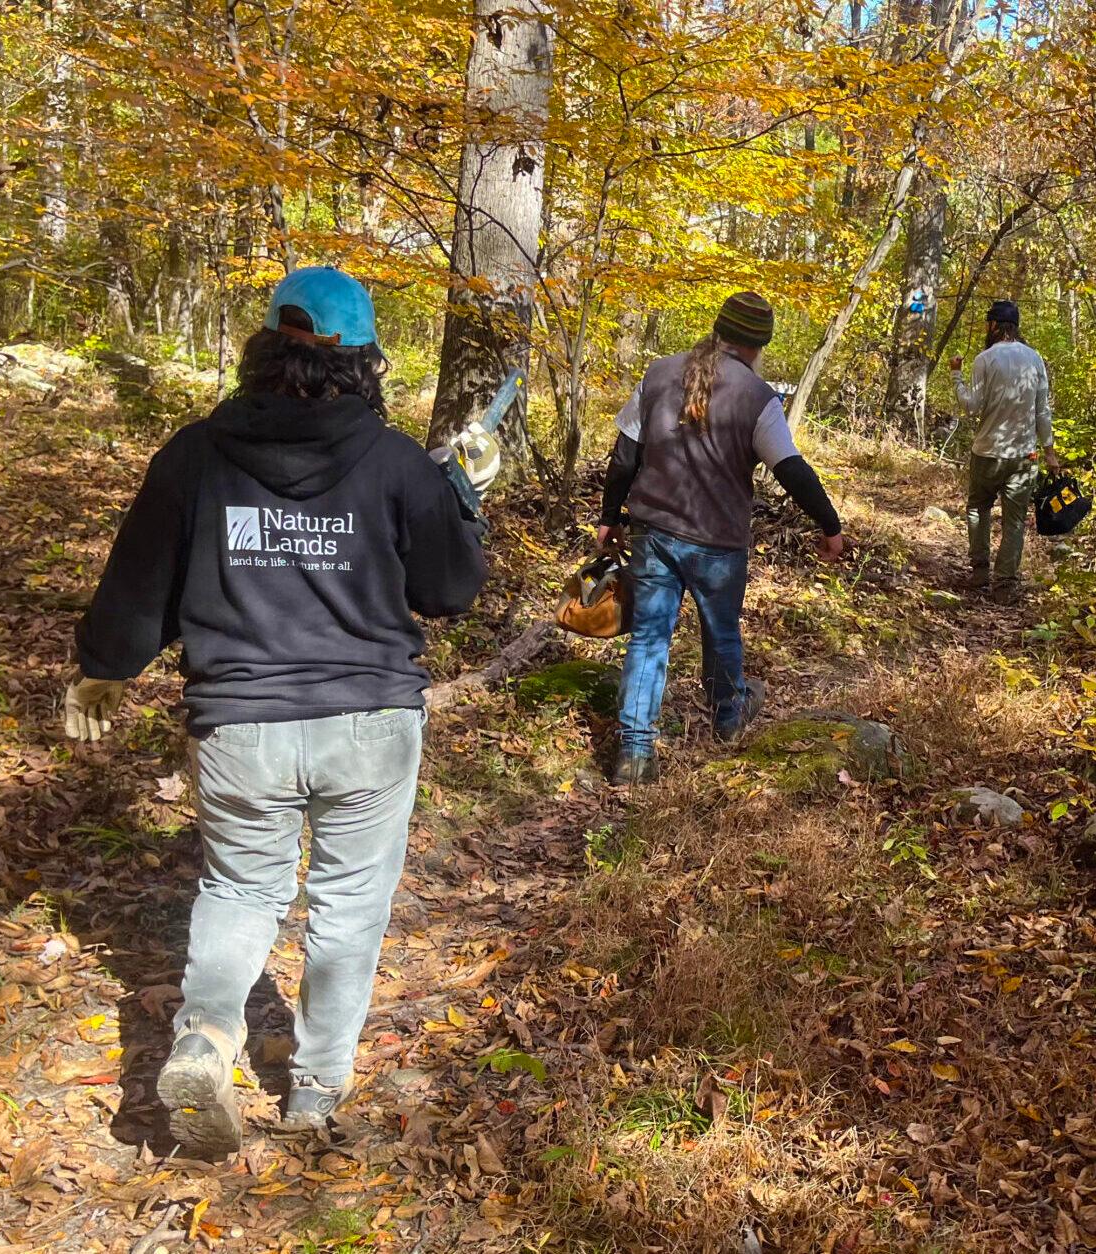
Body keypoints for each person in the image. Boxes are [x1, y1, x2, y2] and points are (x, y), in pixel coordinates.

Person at [60, 266, 489, 1155]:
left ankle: (207, 1037)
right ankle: (316, 1088)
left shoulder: (194, 454)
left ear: (264, 347)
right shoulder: (397, 461)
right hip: (368, 724)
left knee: (239, 888)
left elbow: (141, 585)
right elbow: (451, 591)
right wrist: (461, 498)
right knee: (349, 908)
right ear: (364, 359)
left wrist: (105, 667)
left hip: (238, 724)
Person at [596, 291, 845, 785]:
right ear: (759, 344)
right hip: (718, 542)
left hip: (654, 532)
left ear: (718, 328)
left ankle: (634, 753)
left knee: (649, 639)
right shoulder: (758, 397)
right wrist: (830, 524)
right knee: (721, 631)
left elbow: (626, 456)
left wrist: (610, 516)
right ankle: (728, 721)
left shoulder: (659, 373)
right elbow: (790, 468)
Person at [948, 299, 1057, 600]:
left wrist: (956, 375)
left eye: (987, 323)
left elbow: (971, 406)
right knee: (1014, 520)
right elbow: (1042, 411)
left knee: (978, 508)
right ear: (1015, 326)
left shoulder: (985, 359)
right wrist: (1049, 451)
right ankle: (1004, 586)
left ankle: (980, 571)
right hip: (1024, 456)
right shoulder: (1035, 359)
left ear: (994, 325)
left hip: (986, 452)